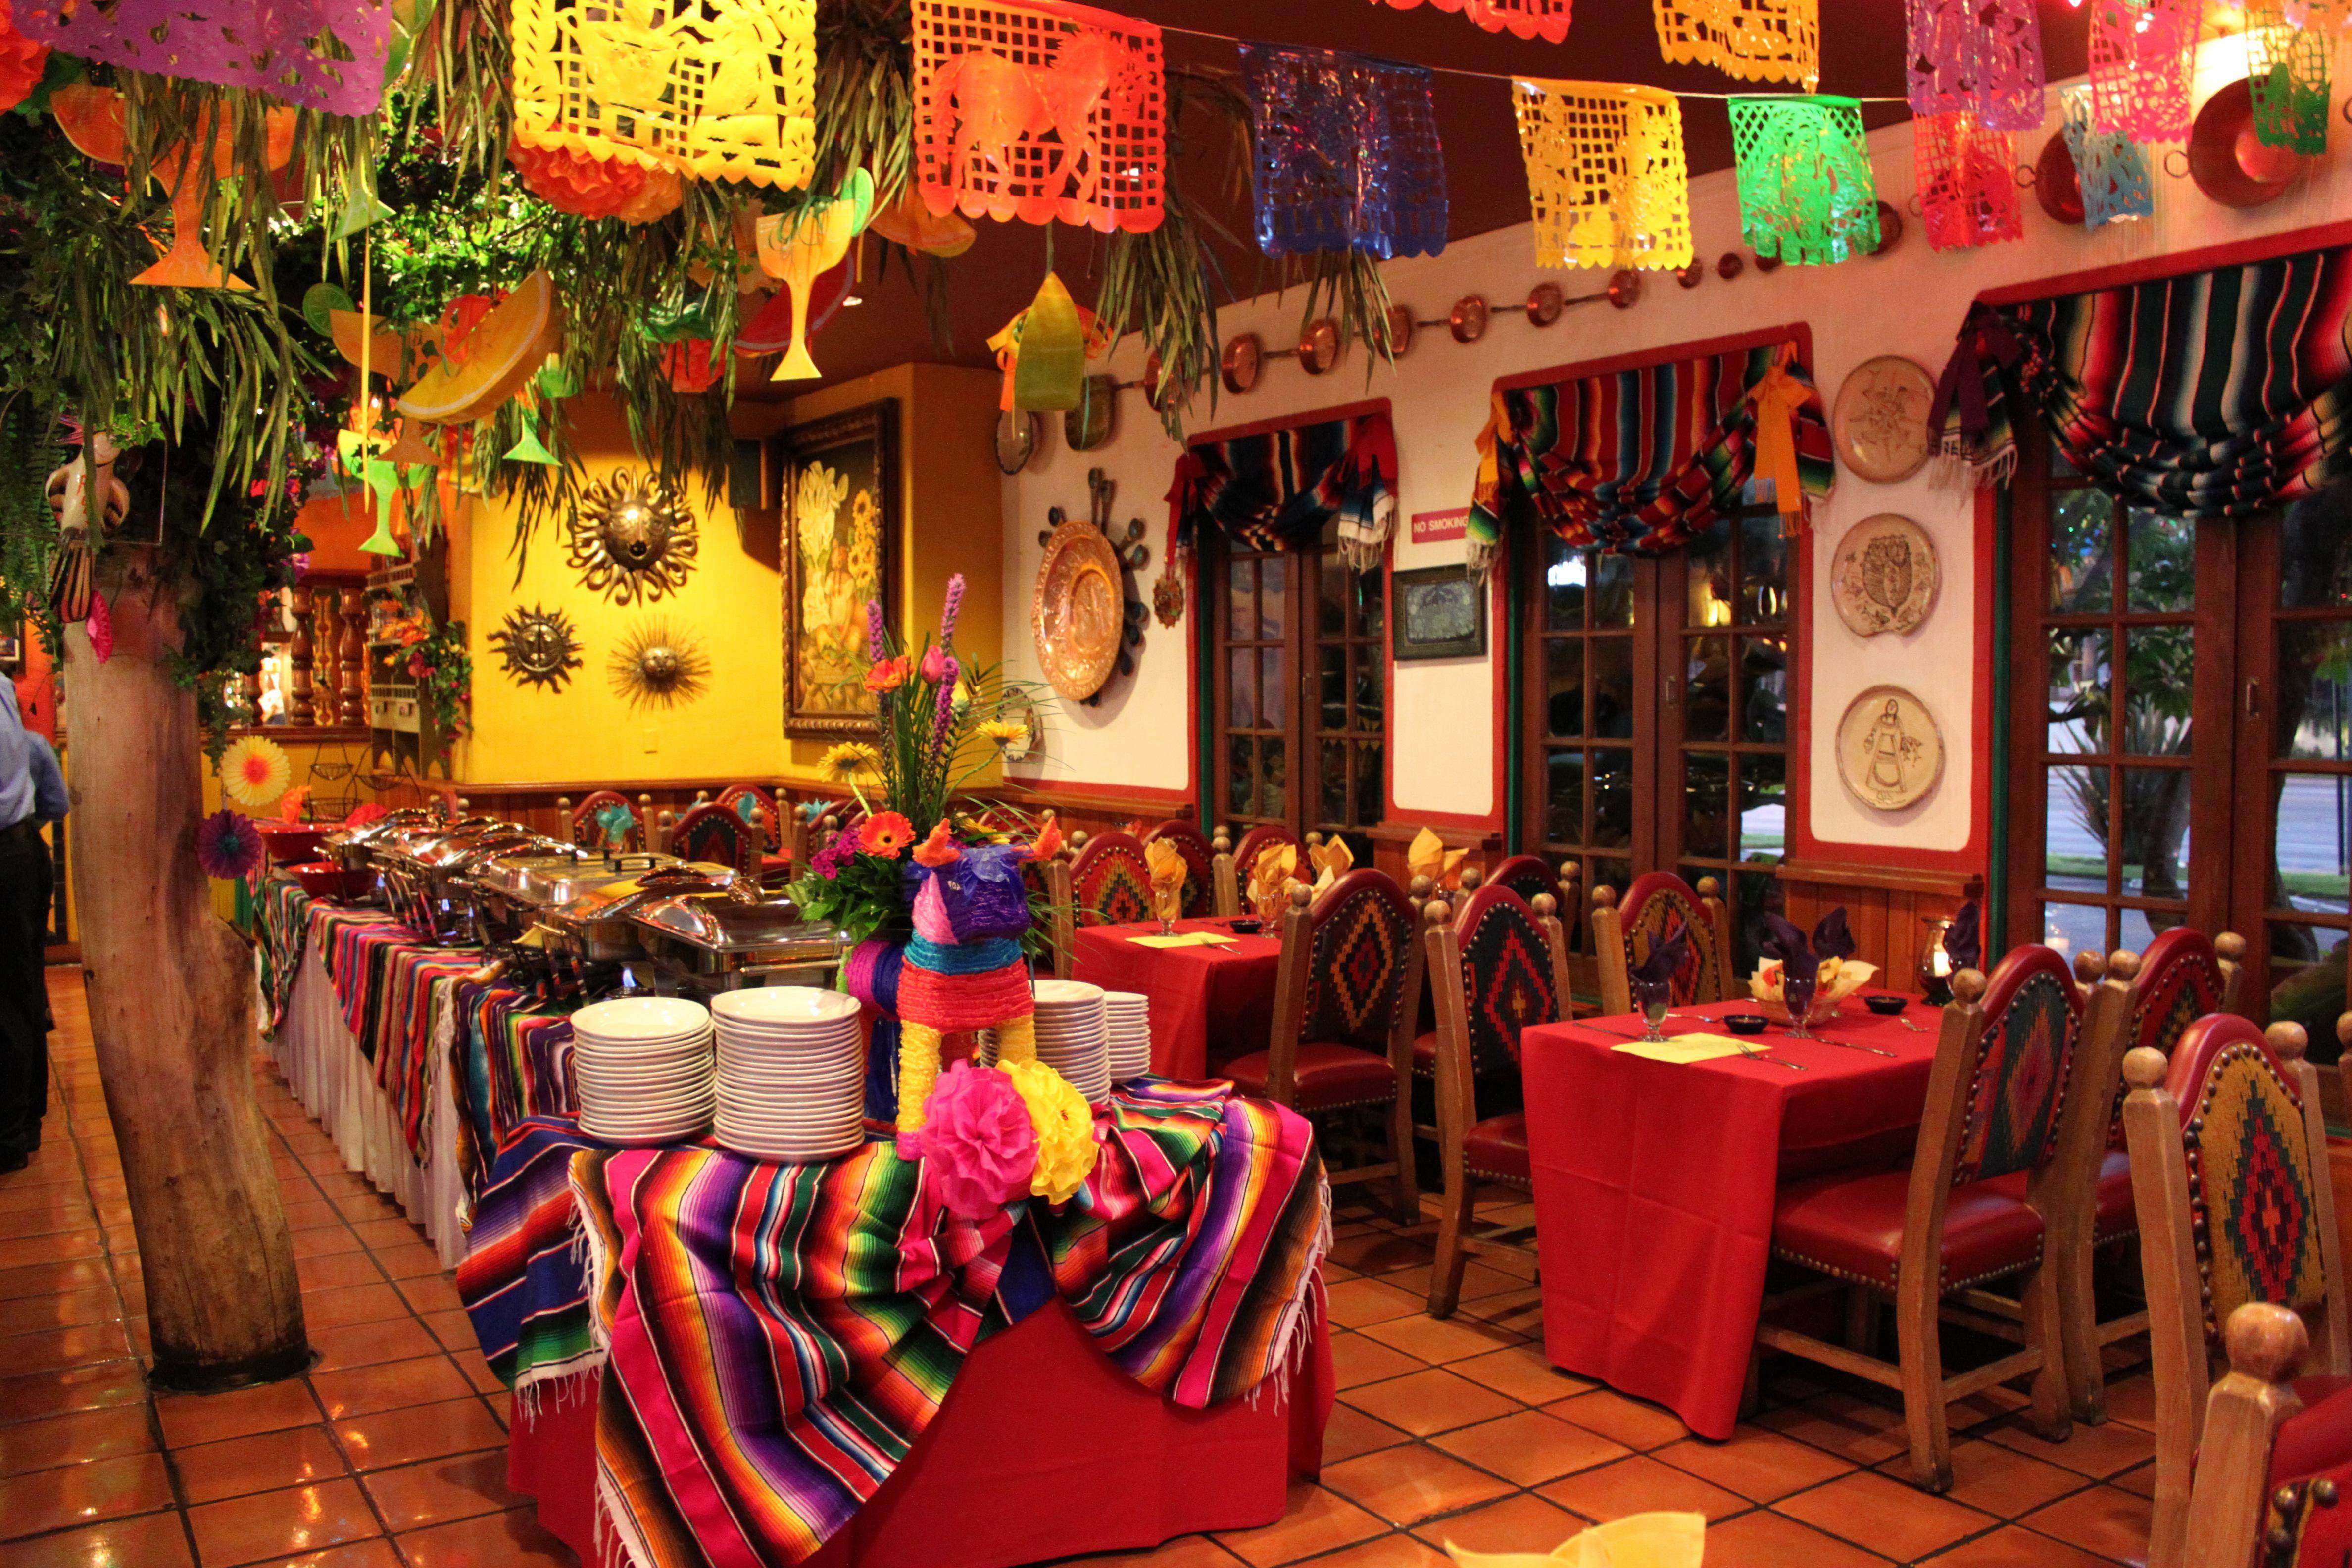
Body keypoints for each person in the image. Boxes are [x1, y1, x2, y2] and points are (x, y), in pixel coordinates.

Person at [0, 677, 66, 1173]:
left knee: (14, 996)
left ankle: (13, 1129)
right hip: (21, 852)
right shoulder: (30, 738)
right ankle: (24, 1120)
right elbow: (54, 804)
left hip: (12, 854)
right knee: (22, 990)